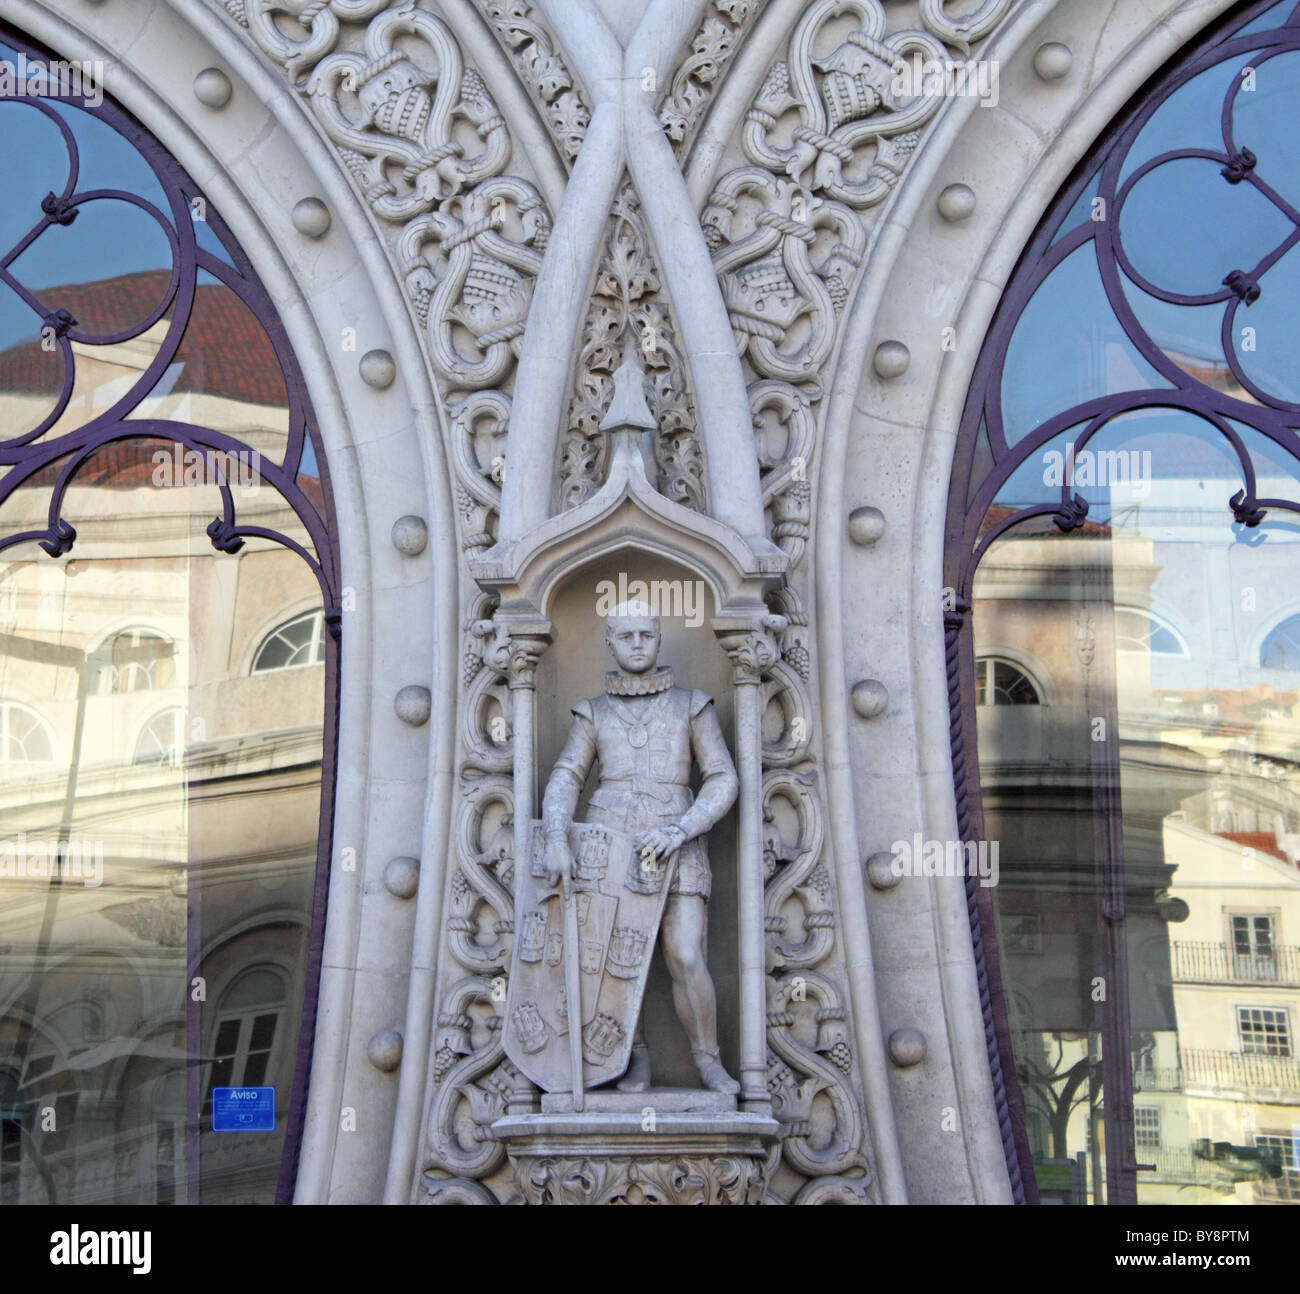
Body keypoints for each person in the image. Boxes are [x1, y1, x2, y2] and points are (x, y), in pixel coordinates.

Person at [541, 601, 740, 1093]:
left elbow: (722, 777)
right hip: (609, 848)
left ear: (658, 639)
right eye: (625, 636)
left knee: (684, 953)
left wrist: (681, 829)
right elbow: (566, 776)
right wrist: (556, 837)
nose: (636, 645)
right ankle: (632, 1057)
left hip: (677, 842)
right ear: (610, 642)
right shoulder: (592, 713)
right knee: (615, 963)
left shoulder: (691, 705)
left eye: (645, 636)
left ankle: (708, 1060)